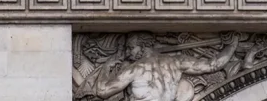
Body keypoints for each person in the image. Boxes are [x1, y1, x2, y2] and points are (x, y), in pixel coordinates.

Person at [81, 33, 240, 101]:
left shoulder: (135, 69)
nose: (127, 52)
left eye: (130, 47)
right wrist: (232, 45)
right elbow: (213, 64)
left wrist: (106, 67)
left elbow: (102, 91)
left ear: (143, 47)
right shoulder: (177, 62)